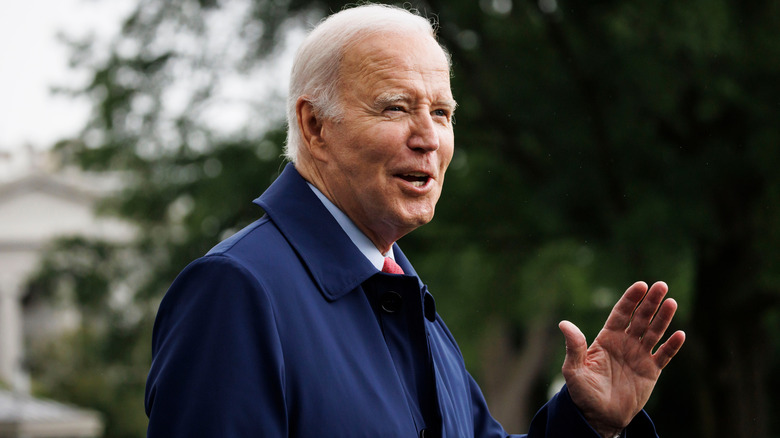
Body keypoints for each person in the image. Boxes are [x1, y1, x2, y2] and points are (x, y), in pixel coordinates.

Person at [144, 4, 686, 437]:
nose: (428, 138)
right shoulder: (237, 289)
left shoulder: (400, 290)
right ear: (314, 127)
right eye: (396, 108)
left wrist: (586, 424)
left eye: (443, 114)